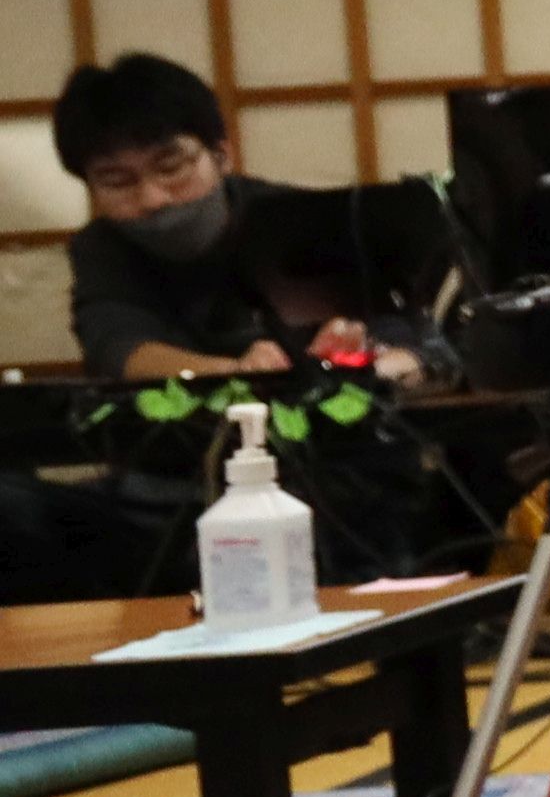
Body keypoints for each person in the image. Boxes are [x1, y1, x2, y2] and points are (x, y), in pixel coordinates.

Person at [43, 54, 472, 587]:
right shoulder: (103, 249)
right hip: (171, 487)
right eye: (117, 181)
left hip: (335, 482)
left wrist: (364, 364)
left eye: (171, 167)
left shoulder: (300, 220)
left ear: (221, 154)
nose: (152, 198)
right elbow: (121, 348)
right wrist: (241, 374)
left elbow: (422, 350)